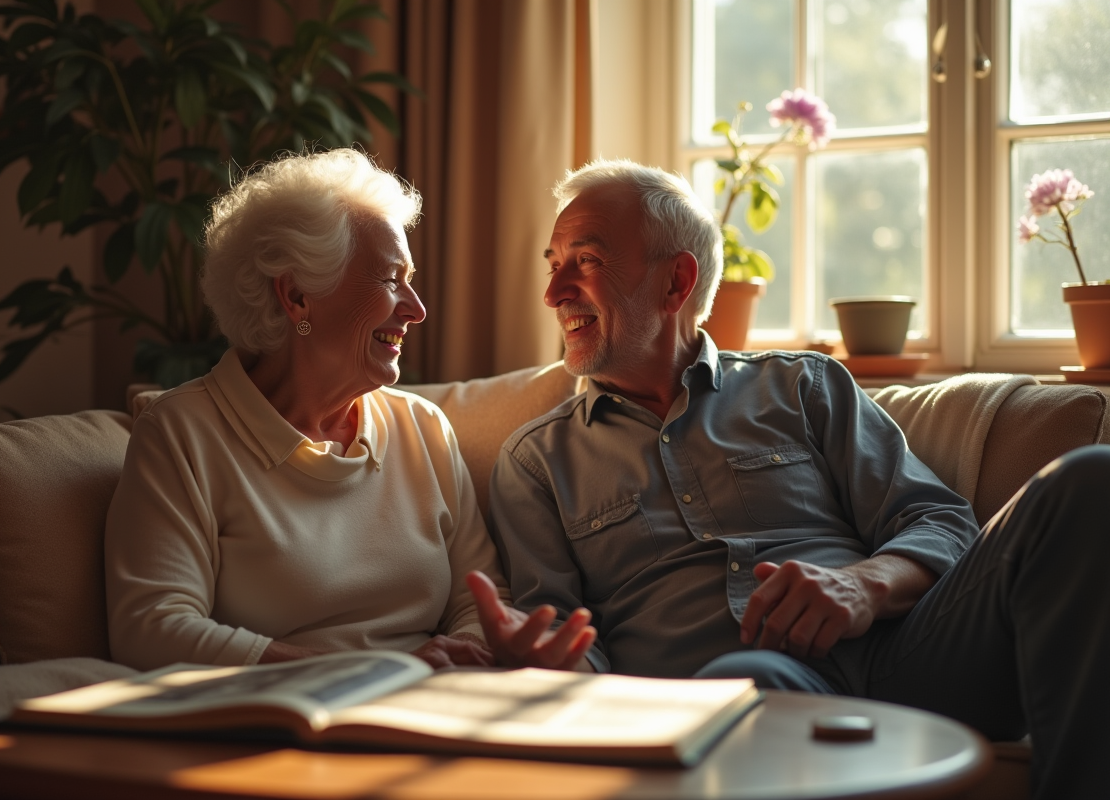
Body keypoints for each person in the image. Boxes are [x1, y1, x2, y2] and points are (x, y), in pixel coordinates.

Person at [465, 158, 1110, 799]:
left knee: (1088, 478)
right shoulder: (535, 461)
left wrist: (865, 585)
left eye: (586, 261)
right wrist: (549, 669)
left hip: (909, 657)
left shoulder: (803, 385)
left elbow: (938, 520)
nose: (554, 294)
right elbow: (559, 634)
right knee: (747, 683)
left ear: (675, 281)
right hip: (737, 698)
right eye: (553, 266)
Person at [105, 148, 509, 672]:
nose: (417, 309)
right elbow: (151, 627)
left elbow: (480, 601)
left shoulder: (422, 427)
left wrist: (461, 659)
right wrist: (369, 670)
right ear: (297, 297)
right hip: (287, 714)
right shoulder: (184, 434)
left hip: (432, 704)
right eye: (391, 280)